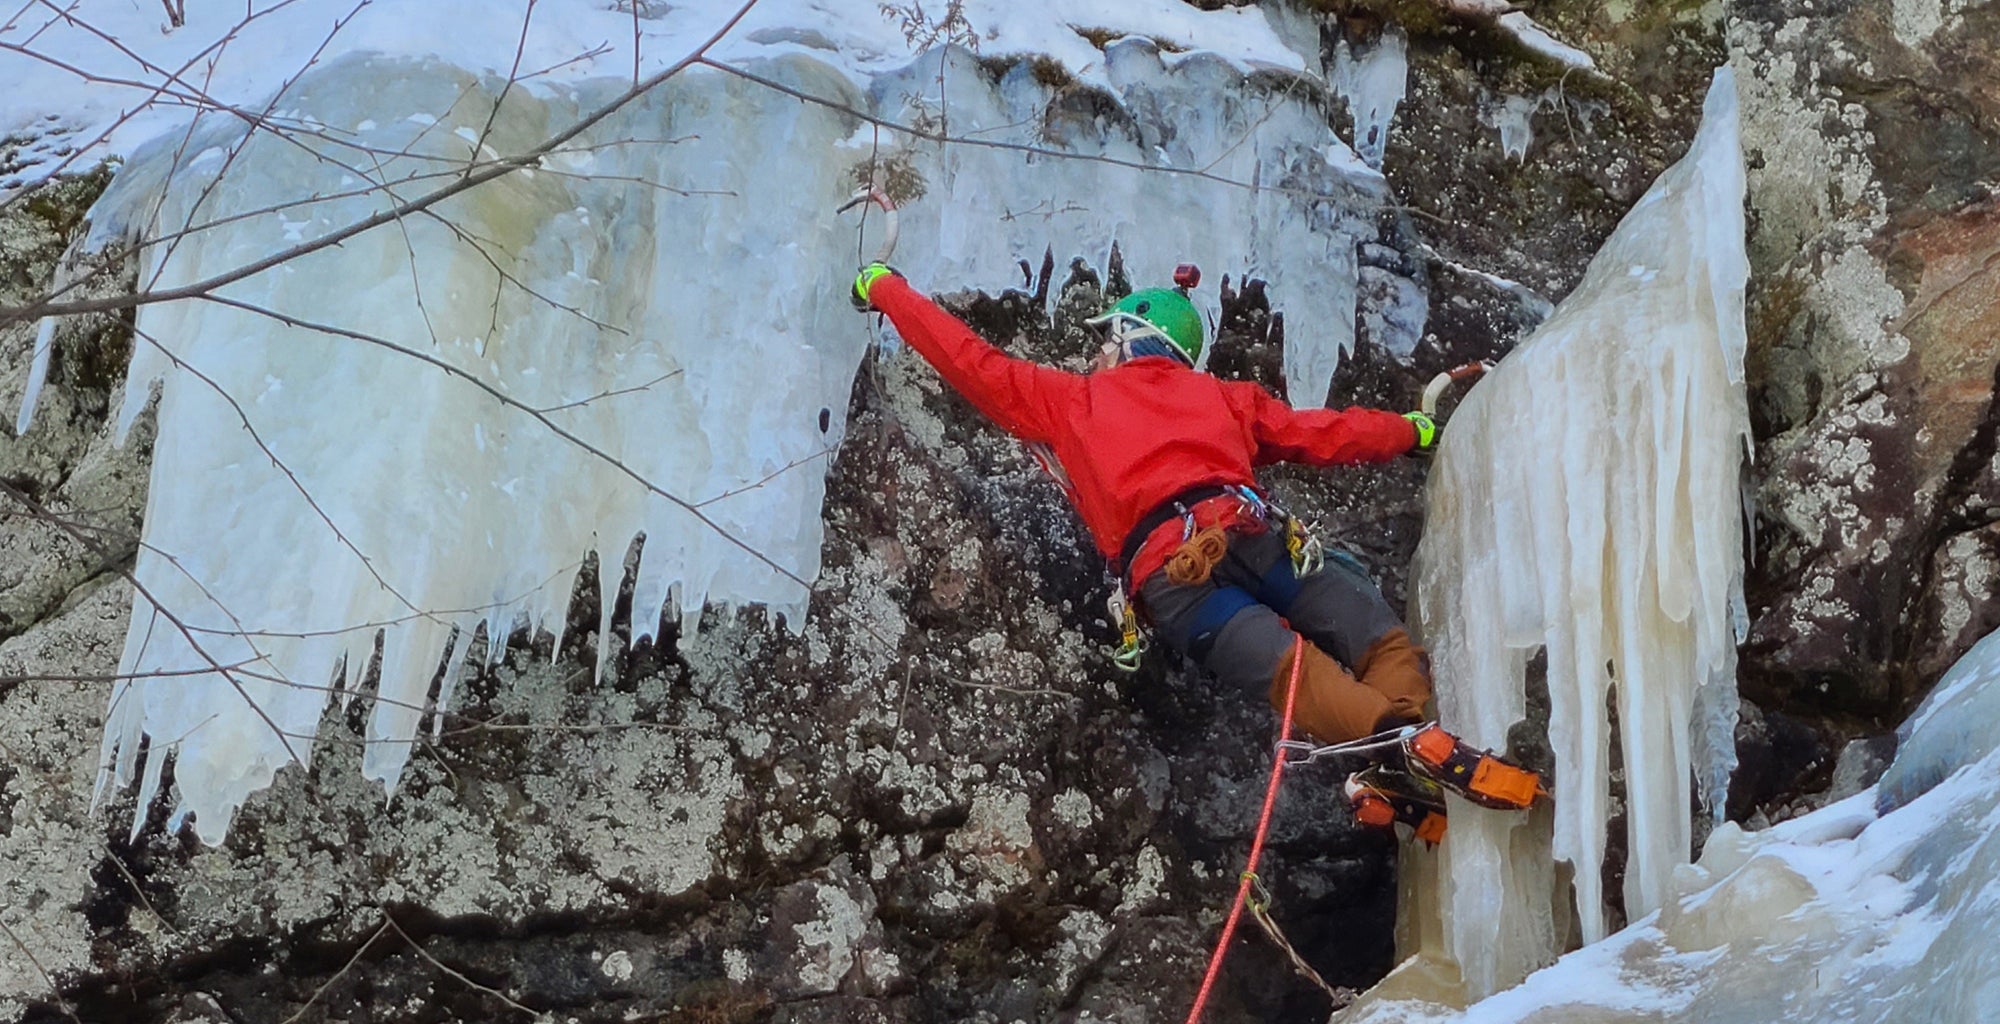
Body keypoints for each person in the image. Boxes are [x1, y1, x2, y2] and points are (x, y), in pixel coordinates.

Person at [850, 261, 1538, 827]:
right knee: (1376, 636)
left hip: (1172, 580)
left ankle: (1401, 751)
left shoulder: (1070, 400)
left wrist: (884, 287)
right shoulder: (1225, 398)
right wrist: (1411, 431)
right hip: (1255, 535)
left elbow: (969, 360)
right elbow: (1323, 433)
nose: (1097, 354)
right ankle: (1408, 743)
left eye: (1105, 340)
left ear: (1128, 338)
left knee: (1290, 672)